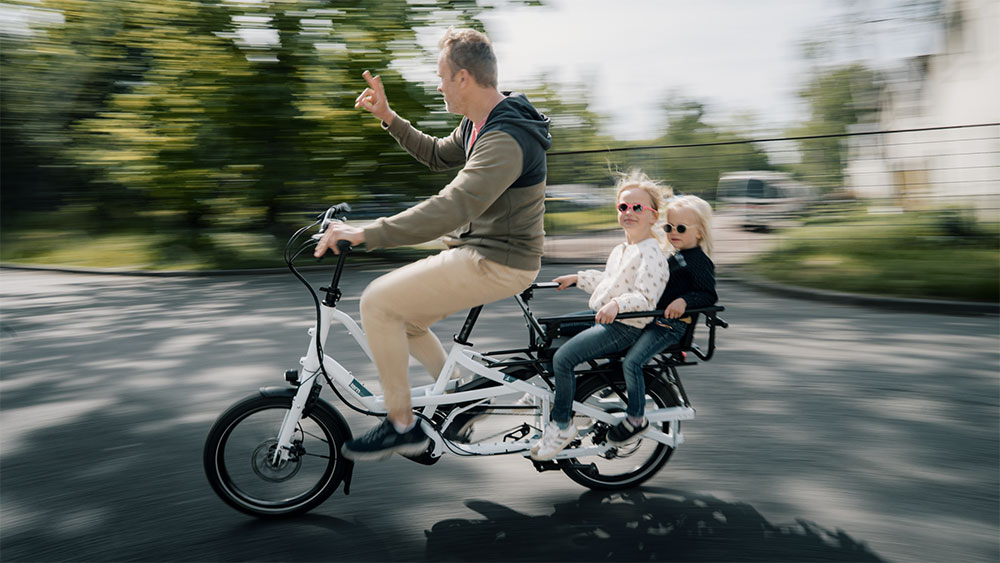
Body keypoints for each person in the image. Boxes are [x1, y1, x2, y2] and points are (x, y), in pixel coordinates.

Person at [313, 27, 551, 461]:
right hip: (479, 252)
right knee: (404, 320)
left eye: (441, 77)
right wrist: (390, 117)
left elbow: (453, 206)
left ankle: (402, 425)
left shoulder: (506, 138)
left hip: (499, 260)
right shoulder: (478, 124)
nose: (438, 86)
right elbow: (438, 154)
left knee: (378, 303)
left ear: (463, 78)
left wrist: (367, 233)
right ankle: (462, 401)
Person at [530, 170, 671, 461]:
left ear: (653, 216)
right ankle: (556, 394)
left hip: (626, 326)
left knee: (564, 358)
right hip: (606, 316)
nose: (628, 212)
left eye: (637, 207)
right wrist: (578, 278)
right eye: (623, 206)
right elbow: (609, 282)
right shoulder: (623, 249)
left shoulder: (652, 254)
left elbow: (645, 297)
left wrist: (618, 304)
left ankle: (562, 425)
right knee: (549, 330)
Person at [610, 194, 718, 445]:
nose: (673, 233)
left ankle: (635, 419)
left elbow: (708, 294)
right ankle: (617, 384)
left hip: (671, 327)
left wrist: (684, 301)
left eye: (681, 228)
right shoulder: (676, 256)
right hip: (656, 320)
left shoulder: (699, 262)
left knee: (633, 362)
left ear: (700, 232)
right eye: (669, 228)